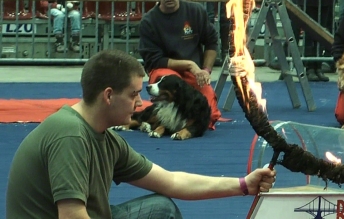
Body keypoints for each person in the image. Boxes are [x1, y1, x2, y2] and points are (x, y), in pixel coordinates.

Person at [5, 49, 276, 218]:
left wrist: (243, 185)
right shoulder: (71, 136)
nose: (139, 103)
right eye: (134, 94)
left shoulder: (101, 136)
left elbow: (171, 182)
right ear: (108, 96)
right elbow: (72, 216)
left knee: (161, 208)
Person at [138, 0, 222, 130]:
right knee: (166, 78)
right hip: (164, 72)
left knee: (210, 114)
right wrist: (190, 64)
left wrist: (205, 70)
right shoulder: (148, 21)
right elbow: (154, 60)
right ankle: (162, 121)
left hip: (194, 73)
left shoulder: (196, 11)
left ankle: (175, 122)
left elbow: (211, 42)